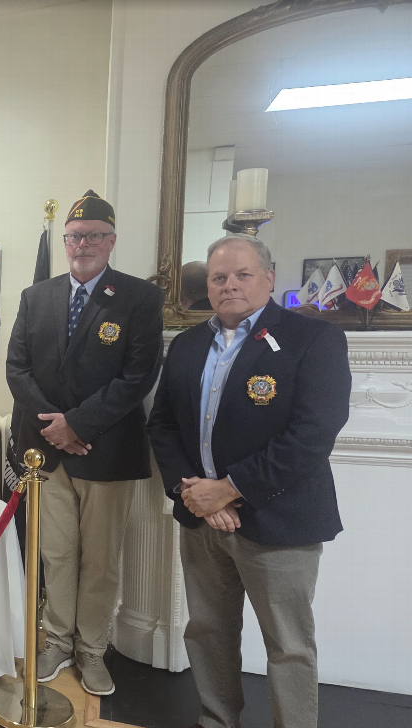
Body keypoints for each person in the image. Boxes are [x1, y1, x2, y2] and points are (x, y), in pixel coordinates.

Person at [147, 234, 351, 728]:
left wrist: (230, 488)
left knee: (289, 645)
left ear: (268, 279)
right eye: (219, 277)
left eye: (242, 275)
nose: (229, 285)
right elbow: (163, 425)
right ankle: (217, 720)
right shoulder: (188, 344)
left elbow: (312, 435)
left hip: (279, 520)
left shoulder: (314, 340)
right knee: (208, 632)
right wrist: (192, 492)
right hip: (201, 521)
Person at [6, 191, 164, 695]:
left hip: (106, 452)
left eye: (94, 235)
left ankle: (93, 650)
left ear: (112, 241)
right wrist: (56, 427)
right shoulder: (37, 296)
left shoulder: (140, 298)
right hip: (47, 451)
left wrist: (78, 424)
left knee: (101, 562)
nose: (82, 244)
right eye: (75, 237)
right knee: (56, 554)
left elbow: (139, 376)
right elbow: (17, 369)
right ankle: (57, 640)